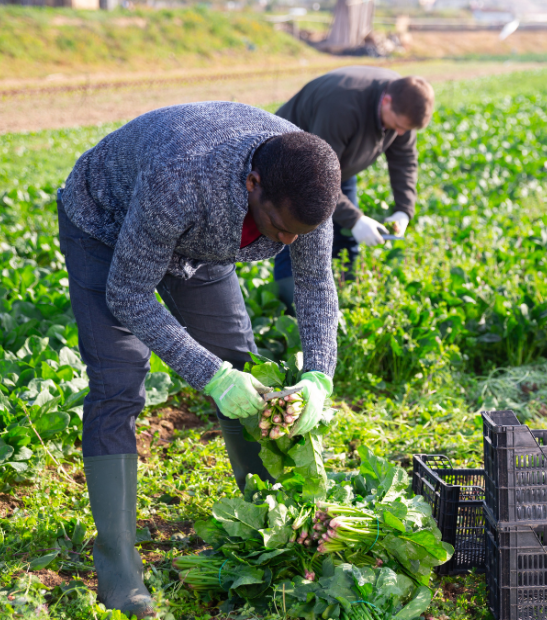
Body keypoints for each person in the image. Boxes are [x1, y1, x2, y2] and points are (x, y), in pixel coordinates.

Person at [58, 101, 341, 618]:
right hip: (106, 226)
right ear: (254, 182)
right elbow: (129, 293)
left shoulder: (307, 185)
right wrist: (210, 377)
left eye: (300, 231)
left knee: (237, 355)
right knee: (118, 381)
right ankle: (118, 564)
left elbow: (316, 287)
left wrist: (319, 373)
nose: (288, 241)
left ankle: (270, 521)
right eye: (280, 227)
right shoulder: (182, 178)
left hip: (200, 244)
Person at [272, 67, 435, 309]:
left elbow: (404, 160)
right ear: (387, 100)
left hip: (337, 165)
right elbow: (314, 177)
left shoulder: (403, 105)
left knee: (345, 240)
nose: (400, 133)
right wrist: (356, 219)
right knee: (296, 236)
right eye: (398, 125)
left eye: (406, 130)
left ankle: (343, 299)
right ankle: (290, 311)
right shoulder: (342, 106)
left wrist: (404, 210)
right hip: (292, 165)